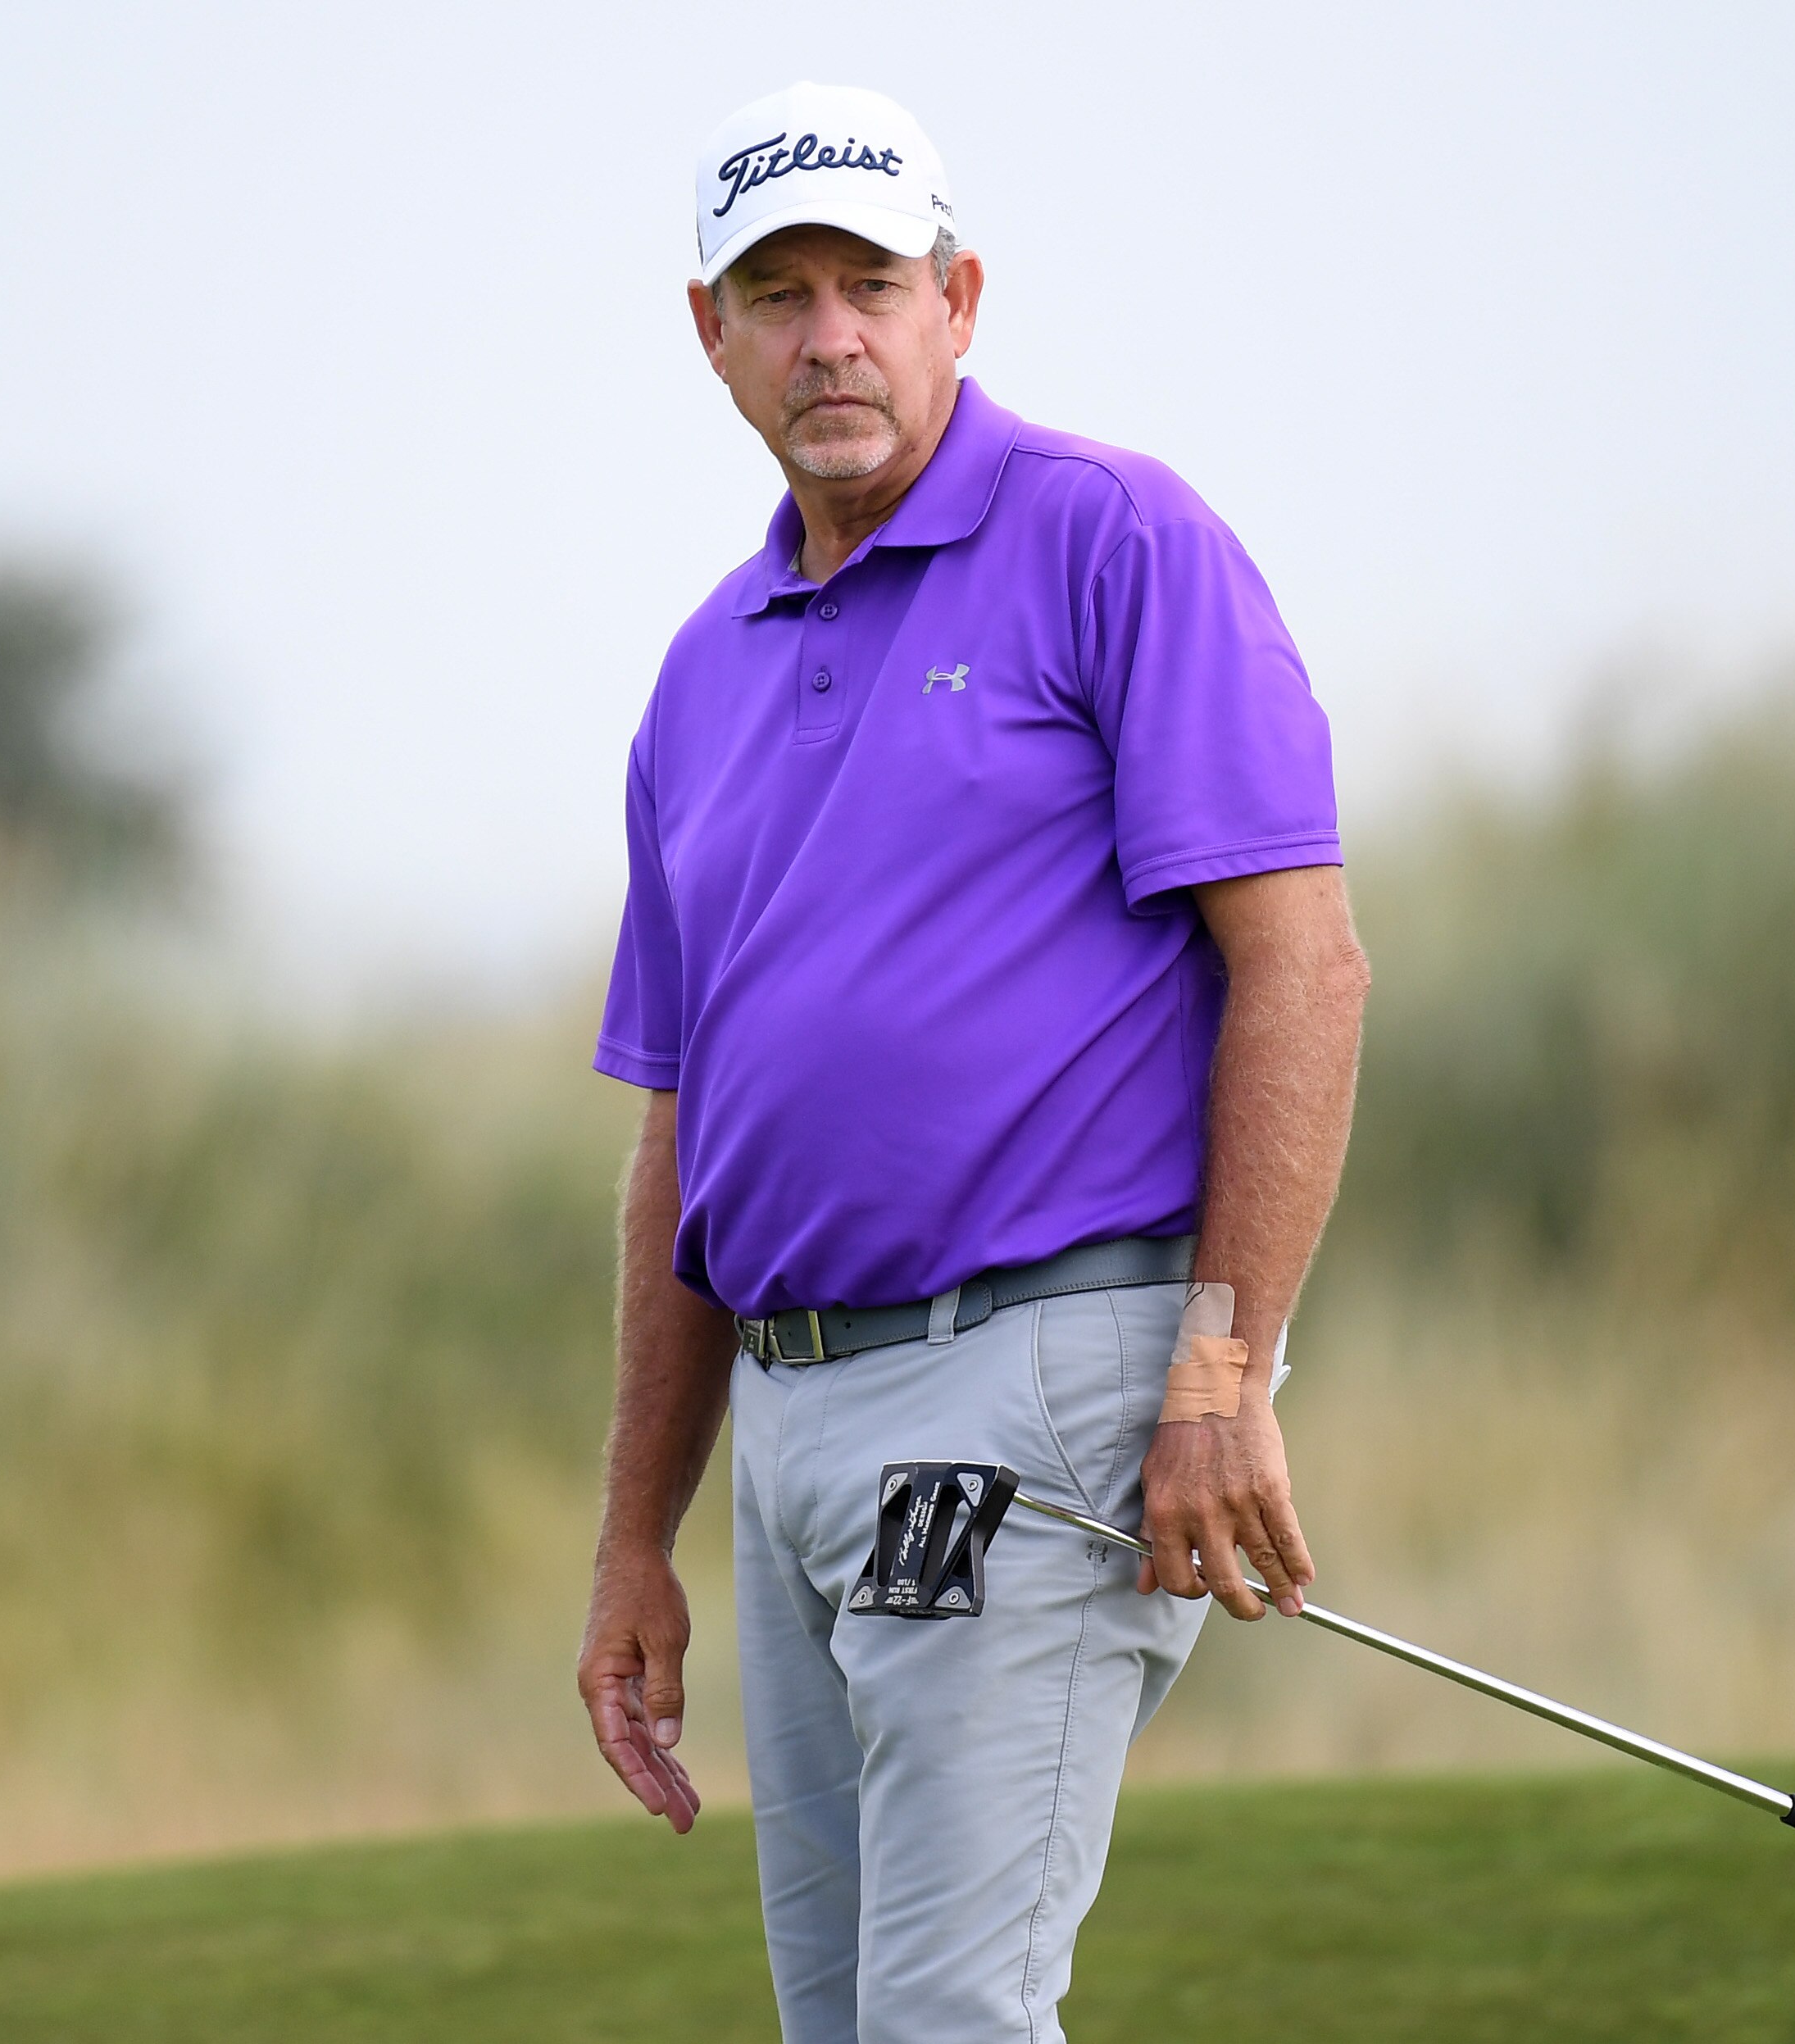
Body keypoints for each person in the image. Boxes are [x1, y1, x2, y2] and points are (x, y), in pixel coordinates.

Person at [575, 79, 1370, 2044]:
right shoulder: (703, 668)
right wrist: (631, 1535)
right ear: (713, 334)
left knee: (948, 2023)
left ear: (961, 298)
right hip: (792, 1420)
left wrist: (1219, 1372)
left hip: (1034, 1388)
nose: (830, 333)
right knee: (849, 2023)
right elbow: (687, 1131)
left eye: (873, 283)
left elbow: (1307, 972)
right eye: (779, 293)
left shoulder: (1115, 543)